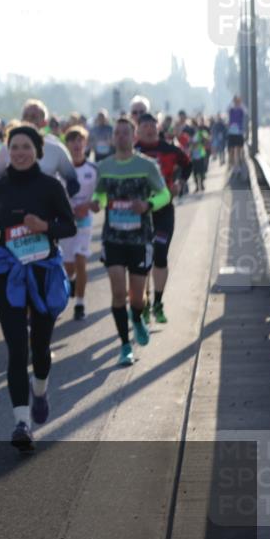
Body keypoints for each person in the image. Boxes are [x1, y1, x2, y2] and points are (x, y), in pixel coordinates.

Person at [0, 126, 75, 451]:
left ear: (37, 150)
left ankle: (41, 389)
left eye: (26, 147)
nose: (19, 152)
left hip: (44, 271)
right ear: (8, 151)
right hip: (10, 272)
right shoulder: (0, 186)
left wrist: (45, 226)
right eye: (14, 147)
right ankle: (22, 422)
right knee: (17, 349)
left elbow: (69, 225)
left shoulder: (50, 185)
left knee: (41, 347)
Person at [93, 118, 171, 366]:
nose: (121, 137)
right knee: (118, 293)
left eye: (126, 133)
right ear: (113, 137)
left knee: (136, 297)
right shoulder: (104, 166)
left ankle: (137, 317)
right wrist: (98, 202)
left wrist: (147, 205)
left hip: (139, 239)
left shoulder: (146, 166)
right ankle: (125, 346)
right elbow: (101, 193)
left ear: (133, 135)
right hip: (113, 238)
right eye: (117, 133)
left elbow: (165, 195)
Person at [134, 112, 190, 324]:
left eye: (152, 125)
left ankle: (157, 302)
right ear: (138, 130)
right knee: (142, 261)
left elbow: (188, 165)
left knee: (160, 255)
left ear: (157, 128)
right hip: (139, 214)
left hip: (164, 210)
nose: (149, 129)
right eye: (144, 125)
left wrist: (180, 183)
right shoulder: (132, 151)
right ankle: (144, 301)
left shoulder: (170, 150)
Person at [0, 99, 80, 197]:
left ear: (44, 123)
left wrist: (57, 202)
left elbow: (73, 182)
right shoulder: (7, 148)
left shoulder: (56, 148)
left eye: (34, 117)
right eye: (25, 116)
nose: (28, 120)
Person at [60, 126, 100, 319]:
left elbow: (101, 197)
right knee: (68, 267)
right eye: (72, 141)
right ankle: (72, 280)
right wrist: (67, 210)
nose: (76, 144)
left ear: (85, 144)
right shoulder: (61, 172)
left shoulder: (93, 170)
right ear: (66, 145)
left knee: (80, 261)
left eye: (80, 140)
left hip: (84, 224)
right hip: (66, 224)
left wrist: (91, 205)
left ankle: (80, 304)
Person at [226, 95, 247, 178]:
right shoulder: (230, 109)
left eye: (237, 101)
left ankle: (237, 168)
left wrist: (240, 103)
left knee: (238, 151)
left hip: (239, 133)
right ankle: (233, 166)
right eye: (235, 101)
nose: (236, 102)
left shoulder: (242, 109)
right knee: (231, 151)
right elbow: (227, 109)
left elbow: (246, 111)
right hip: (231, 133)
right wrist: (232, 101)